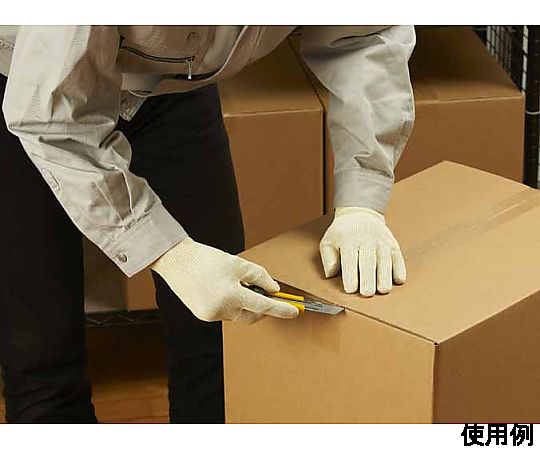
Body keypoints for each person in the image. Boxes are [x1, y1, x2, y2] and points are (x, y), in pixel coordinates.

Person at [0, 25, 415, 423]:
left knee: (217, 330)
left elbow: (366, 34)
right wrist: (169, 253)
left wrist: (361, 201)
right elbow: (50, 121)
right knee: (41, 354)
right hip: (28, 84)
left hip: (173, 85)